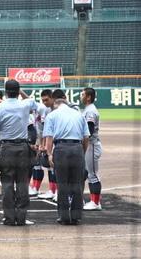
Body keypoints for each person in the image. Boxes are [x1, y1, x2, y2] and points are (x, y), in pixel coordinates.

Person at [0, 79, 39, 226]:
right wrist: (21, 91)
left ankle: (9, 218)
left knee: (7, 184)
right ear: (17, 92)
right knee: (23, 183)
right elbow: (31, 101)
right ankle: (21, 218)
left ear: (5, 92)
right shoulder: (24, 104)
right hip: (23, 148)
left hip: (6, 149)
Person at [43, 95, 90, 225]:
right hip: (77, 148)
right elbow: (86, 138)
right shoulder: (79, 115)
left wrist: (49, 154)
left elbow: (49, 137)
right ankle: (76, 216)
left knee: (62, 184)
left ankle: (63, 217)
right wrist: (82, 151)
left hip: (61, 148)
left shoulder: (52, 115)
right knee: (78, 184)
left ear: (56, 105)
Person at [81, 87, 103, 210]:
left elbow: (88, 131)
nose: (81, 96)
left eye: (83, 94)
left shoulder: (90, 111)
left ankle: (96, 202)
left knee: (93, 174)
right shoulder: (88, 109)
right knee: (87, 173)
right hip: (89, 146)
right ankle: (91, 200)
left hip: (92, 146)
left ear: (88, 97)